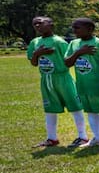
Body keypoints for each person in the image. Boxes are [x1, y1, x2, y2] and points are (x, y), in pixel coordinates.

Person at [27, 16, 87, 147]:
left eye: (40, 23)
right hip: (46, 79)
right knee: (50, 108)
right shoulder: (35, 42)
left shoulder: (59, 42)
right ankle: (52, 138)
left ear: (51, 25)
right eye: (34, 24)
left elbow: (68, 61)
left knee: (75, 106)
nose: (37, 26)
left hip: (62, 78)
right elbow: (34, 63)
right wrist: (37, 53)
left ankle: (83, 137)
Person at [64, 17, 99, 147]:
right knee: (91, 111)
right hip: (83, 86)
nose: (74, 30)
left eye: (77, 27)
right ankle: (98, 138)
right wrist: (79, 52)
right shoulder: (74, 44)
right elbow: (67, 63)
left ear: (89, 29)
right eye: (73, 27)